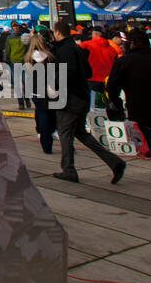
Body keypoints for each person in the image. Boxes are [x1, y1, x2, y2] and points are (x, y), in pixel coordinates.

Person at [50, 21, 126, 185]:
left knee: (64, 132)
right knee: (81, 133)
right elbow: (88, 71)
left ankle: (69, 170)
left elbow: (68, 73)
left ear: (57, 33)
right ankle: (115, 162)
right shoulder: (77, 48)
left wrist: (53, 85)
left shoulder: (65, 50)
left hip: (71, 98)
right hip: (83, 96)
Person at [105, 29, 151, 155]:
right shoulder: (125, 61)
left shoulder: (125, 61)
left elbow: (111, 87)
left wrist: (117, 105)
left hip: (138, 109)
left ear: (132, 44)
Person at [21, 31, 58, 154]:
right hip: (51, 90)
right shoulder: (51, 57)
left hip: (36, 91)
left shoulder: (27, 59)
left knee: (42, 116)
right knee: (52, 115)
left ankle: (46, 143)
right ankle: (52, 133)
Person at [79, 28, 119, 114]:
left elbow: (79, 57)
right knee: (108, 104)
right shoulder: (112, 49)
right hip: (107, 80)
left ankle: (93, 123)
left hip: (92, 79)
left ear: (95, 34)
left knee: (91, 106)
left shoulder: (86, 45)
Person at [4, 23, 29, 108]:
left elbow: (28, 48)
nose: (15, 28)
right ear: (12, 28)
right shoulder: (9, 38)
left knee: (25, 82)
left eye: (17, 26)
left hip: (23, 62)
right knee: (17, 84)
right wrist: (6, 59)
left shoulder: (24, 37)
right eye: (14, 27)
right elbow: (7, 49)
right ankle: (21, 103)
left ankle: (27, 98)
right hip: (14, 62)